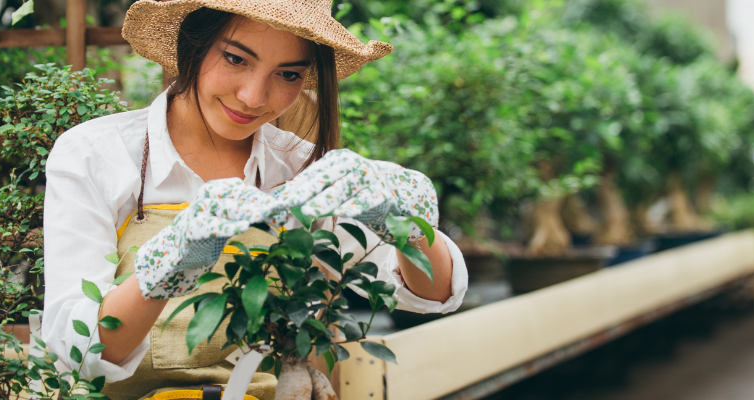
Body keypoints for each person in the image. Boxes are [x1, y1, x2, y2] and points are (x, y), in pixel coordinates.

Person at [42, 0, 469, 398]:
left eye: (288, 74)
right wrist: (168, 265)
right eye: (235, 58)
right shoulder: (96, 155)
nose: (253, 97)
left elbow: (434, 293)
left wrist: (406, 223)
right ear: (193, 44)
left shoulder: (300, 170)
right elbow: (79, 353)